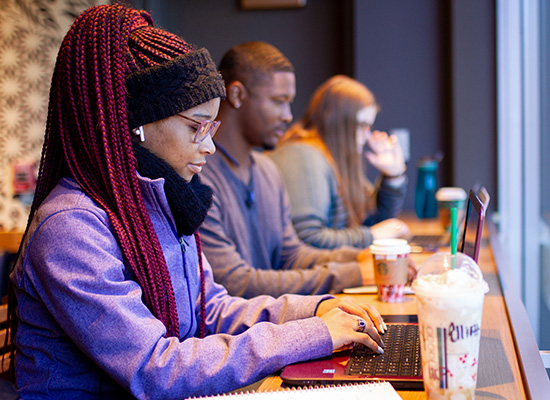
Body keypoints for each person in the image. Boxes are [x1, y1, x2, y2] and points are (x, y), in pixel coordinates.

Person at [5, 6, 386, 399]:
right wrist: (312, 335)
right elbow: (154, 368)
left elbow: (211, 311)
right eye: (196, 127)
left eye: (212, 127)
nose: (208, 146)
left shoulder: (159, 202)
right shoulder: (71, 227)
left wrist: (316, 310)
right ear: (135, 125)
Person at [199, 42, 413, 299]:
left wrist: (361, 257)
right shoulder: (199, 176)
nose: (289, 116)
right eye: (279, 101)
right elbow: (234, 283)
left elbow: (292, 255)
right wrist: (356, 272)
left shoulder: (267, 171)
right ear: (237, 96)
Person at [269, 75, 410, 250]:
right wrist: (373, 235)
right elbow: (307, 240)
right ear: (336, 120)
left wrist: (393, 177)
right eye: (362, 125)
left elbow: (371, 221)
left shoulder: (333, 158)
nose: (366, 136)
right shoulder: (304, 156)